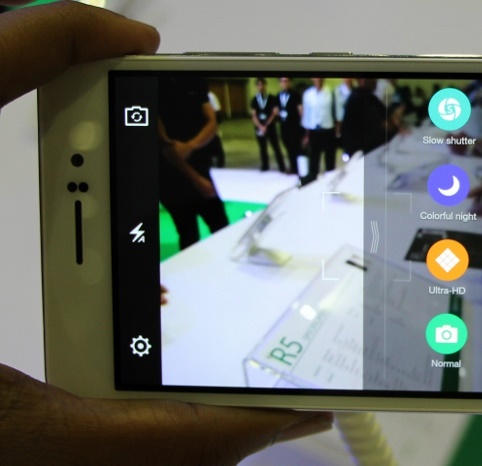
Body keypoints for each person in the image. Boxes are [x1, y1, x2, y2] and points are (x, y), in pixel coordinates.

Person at [0, 2, 332, 464]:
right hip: (171, 177)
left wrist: (189, 153)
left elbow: (202, 125)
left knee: (213, 230)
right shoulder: (162, 95)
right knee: (190, 234)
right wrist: (187, 167)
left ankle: (213, 295)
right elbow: (160, 140)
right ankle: (207, 301)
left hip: (187, 167)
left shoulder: (190, 87)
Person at [158, 76, 230, 250]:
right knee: (188, 233)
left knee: (220, 225)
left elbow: (212, 122)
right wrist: (197, 179)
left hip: (200, 164)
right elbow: (169, 150)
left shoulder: (195, 81)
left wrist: (191, 145)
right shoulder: (156, 84)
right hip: (171, 177)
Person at [301, 77, 338, 180]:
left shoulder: (330, 92)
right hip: (314, 130)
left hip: (328, 129)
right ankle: (313, 178)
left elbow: (335, 111)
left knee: (330, 158)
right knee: (314, 157)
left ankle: (330, 178)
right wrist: (306, 134)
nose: (318, 80)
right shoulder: (308, 94)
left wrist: (337, 129)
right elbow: (306, 115)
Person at [250, 78, 286, 172]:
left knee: (276, 147)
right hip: (259, 127)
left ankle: (282, 167)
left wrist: (266, 125)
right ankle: (265, 166)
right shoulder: (254, 99)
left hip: (270, 126)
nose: (261, 87)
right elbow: (253, 115)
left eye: (262, 84)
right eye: (259, 85)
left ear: (265, 86)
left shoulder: (271, 98)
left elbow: (274, 113)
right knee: (262, 148)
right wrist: (260, 126)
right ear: (256, 86)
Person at [276, 76, 304, 175]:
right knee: (288, 147)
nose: (284, 83)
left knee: (296, 147)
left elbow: (300, 110)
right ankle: (292, 167)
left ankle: (298, 168)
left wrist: (303, 124)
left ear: (290, 82)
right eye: (282, 81)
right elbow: (277, 110)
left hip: (294, 126)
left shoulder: (295, 94)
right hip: (284, 126)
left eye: (286, 81)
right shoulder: (278, 95)